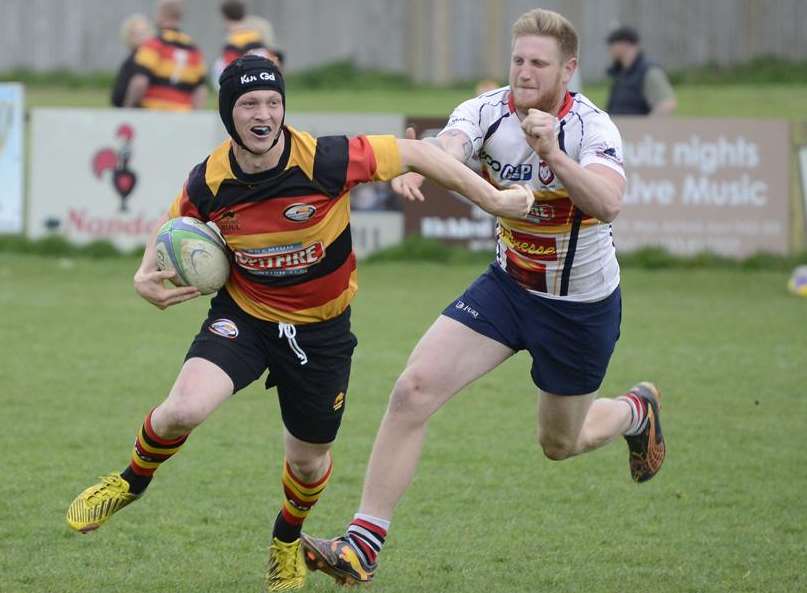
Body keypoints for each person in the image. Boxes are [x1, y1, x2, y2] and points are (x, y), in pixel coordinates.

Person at [65, 55, 534, 592]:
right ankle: (130, 482)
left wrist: (496, 199)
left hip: (321, 331)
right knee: (183, 409)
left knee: (308, 464)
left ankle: (286, 540)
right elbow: (175, 221)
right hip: (246, 315)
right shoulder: (213, 179)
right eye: (248, 104)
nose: (263, 114)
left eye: (272, 102)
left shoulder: (326, 159)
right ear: (228, 113)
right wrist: (144, 272)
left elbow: (415, 152)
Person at [300, 8, 666, 586]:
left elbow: (609, 204)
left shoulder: (593, 128)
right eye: (518, 59)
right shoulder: (487, 111)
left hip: (580, 308)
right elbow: (452, 142)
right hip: (506, 288)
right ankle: (362, 546)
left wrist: (554, 157)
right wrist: (422, 163)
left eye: (538, 64)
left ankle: (633, 413)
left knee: (559, 442)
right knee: (411, 391)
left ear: (568, 69)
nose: (523, 72)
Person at [123, 0, 208, 111]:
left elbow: (140, 82)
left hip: (153, 115)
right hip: (182, 119)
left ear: (160, 15)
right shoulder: (194, 50)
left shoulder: (153, 45)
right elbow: (200, 92)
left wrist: (128, 107)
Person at [605, 25, 676, 115]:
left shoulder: (649, 71)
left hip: (636, 128)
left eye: (612, 44)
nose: (609, 49)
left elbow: (667, 104)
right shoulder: (621, 73)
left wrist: (645, 127)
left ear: (625, 44)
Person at [212, 2, 283, 85]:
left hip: (243, 81)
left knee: (218, 65)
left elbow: (229, 67)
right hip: (265, 77)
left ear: (226, 18)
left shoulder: (233, 41)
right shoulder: (256, 34)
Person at [111, 14, 155, 107]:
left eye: (144, 32)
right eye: (137, 34)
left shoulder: (151, 59)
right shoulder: (131, 62)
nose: (143, 37)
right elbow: (118, 95)